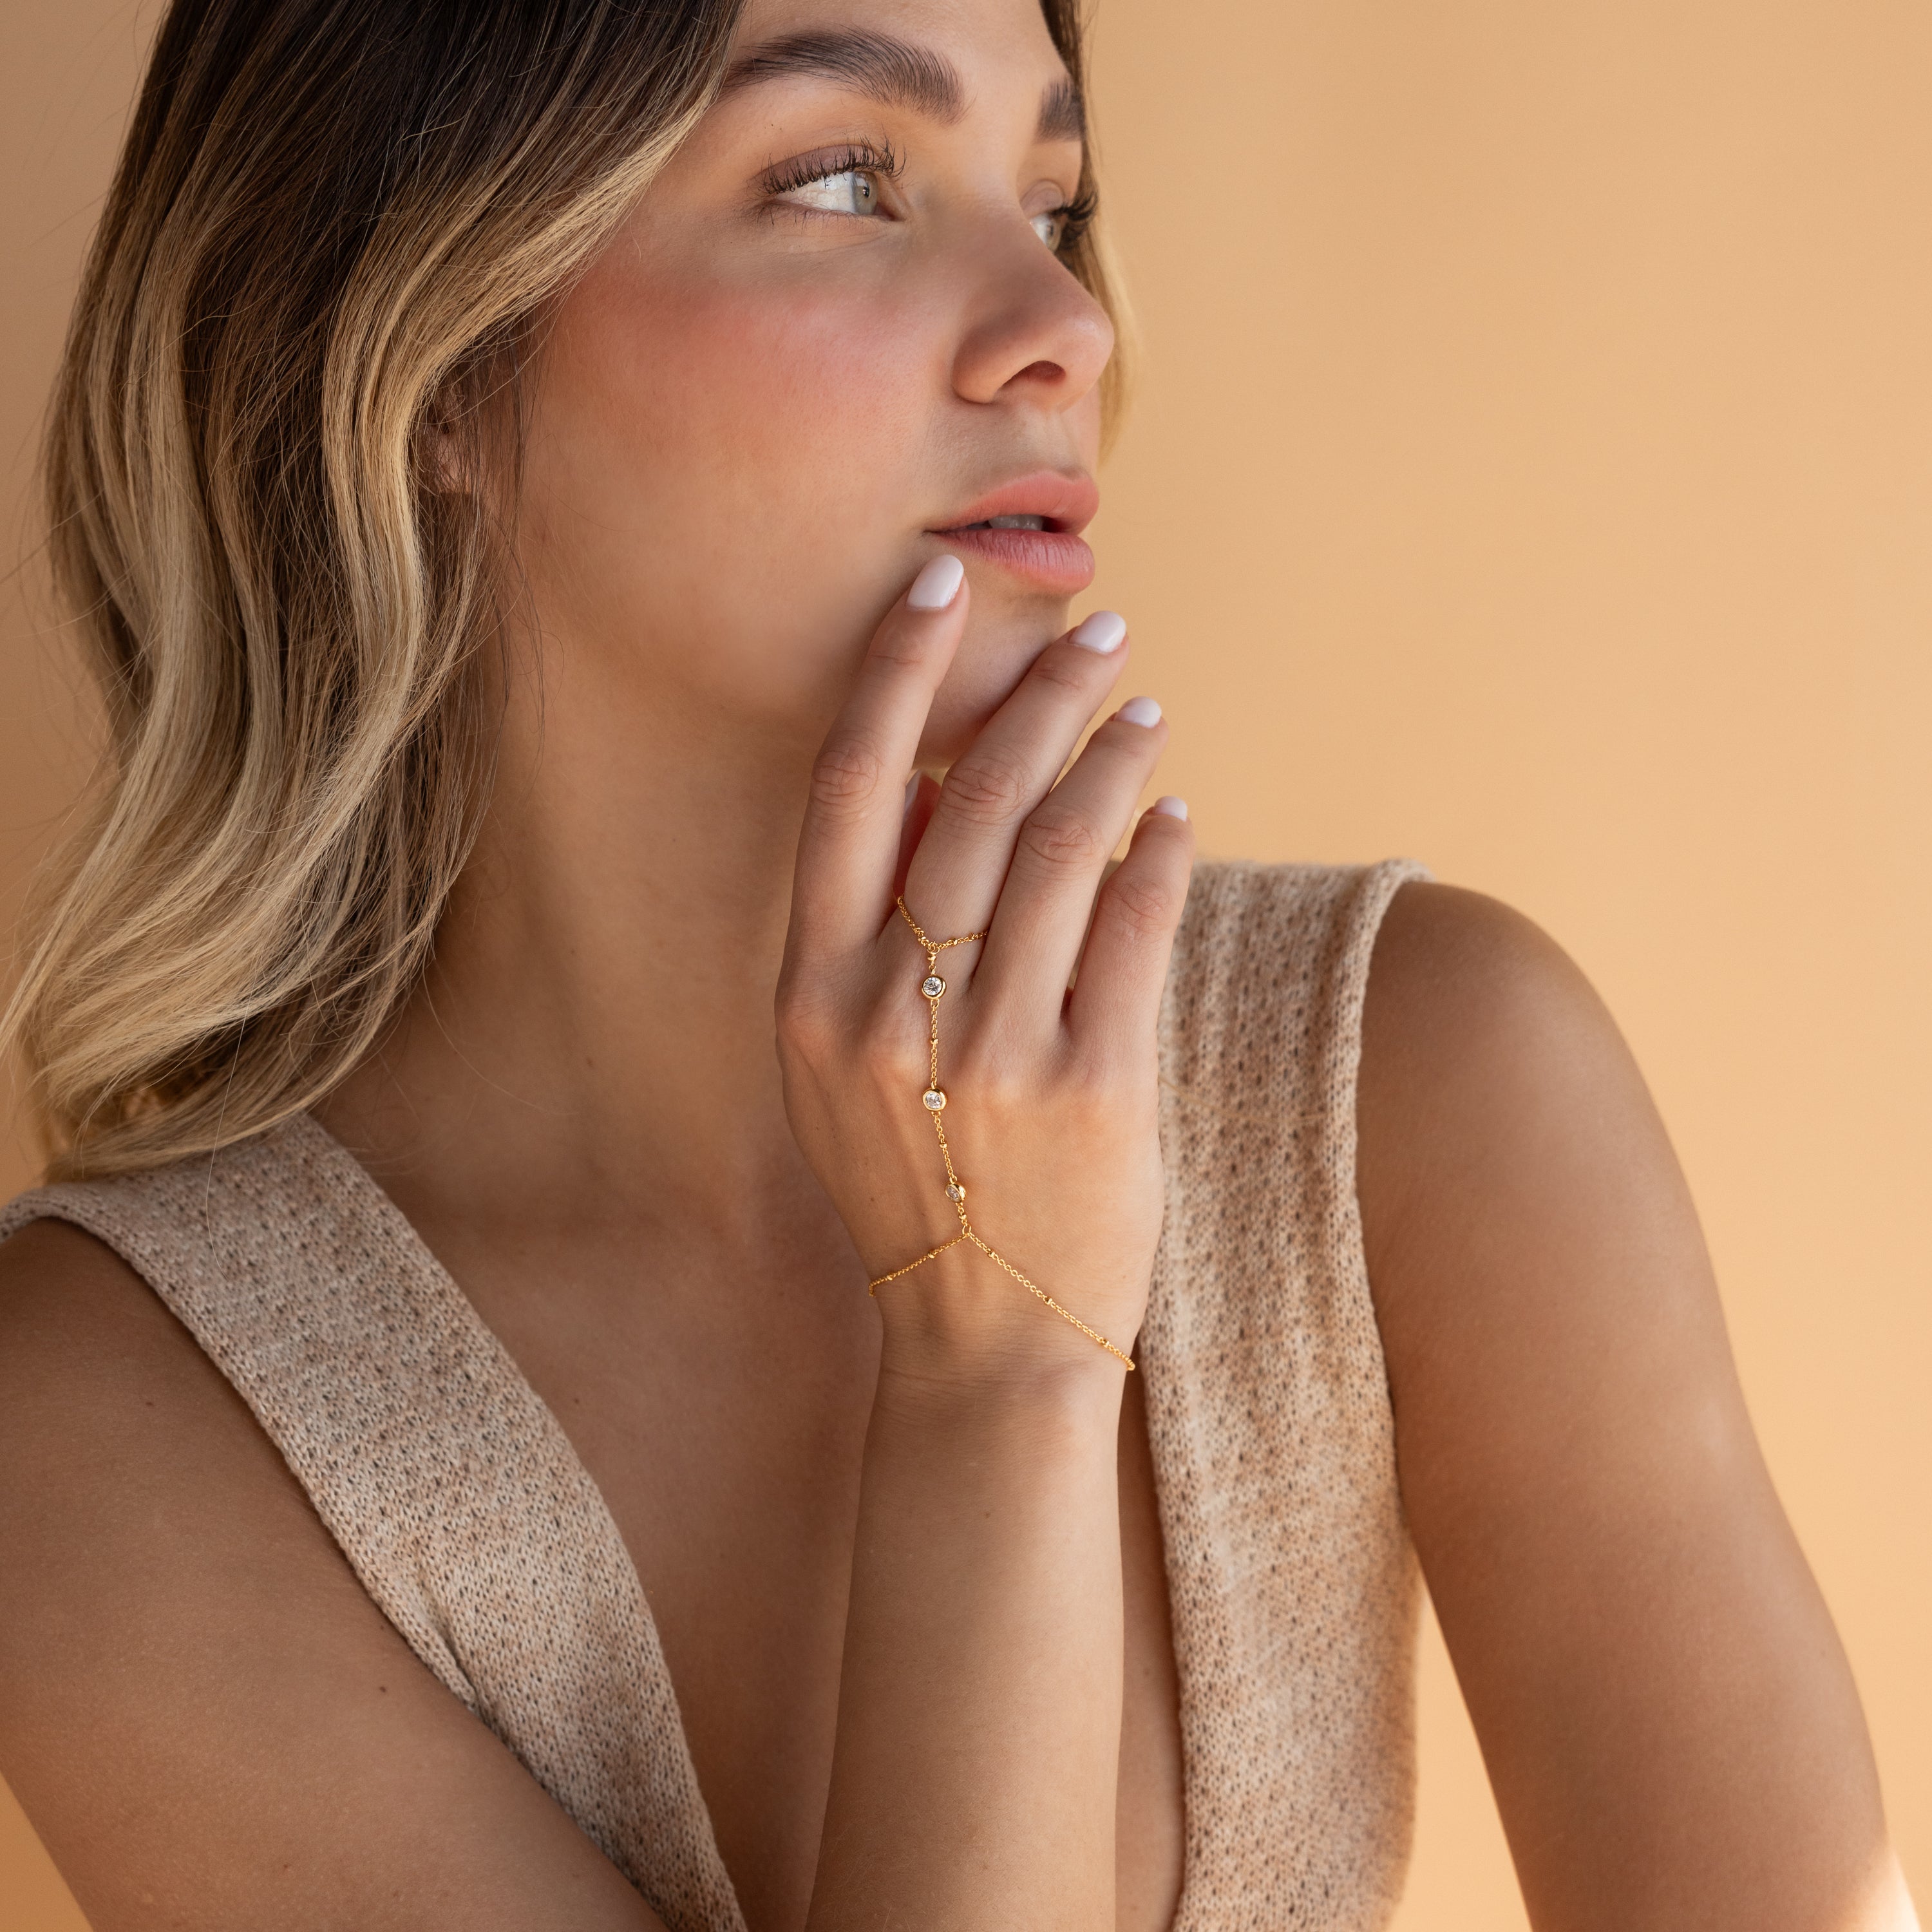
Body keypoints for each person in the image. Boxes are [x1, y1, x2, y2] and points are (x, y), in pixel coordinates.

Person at [0, 0, 1915, 1926]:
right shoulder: (122, 1416)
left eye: (1057, 200)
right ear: (418, 369)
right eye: (841, 179)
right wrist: (1000, 1370)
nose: (1063, 326)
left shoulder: (1417, 1086)